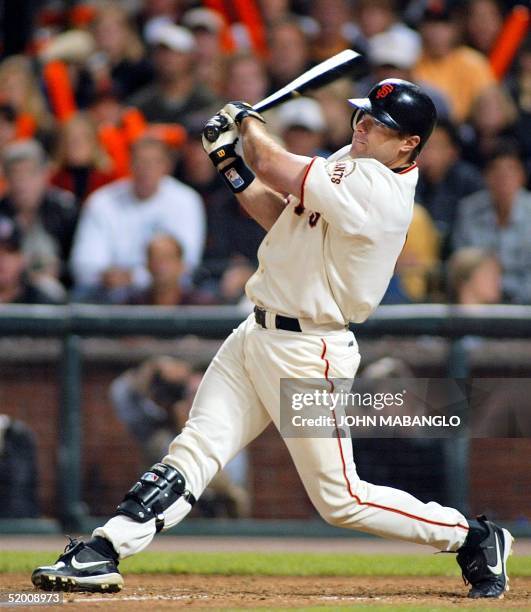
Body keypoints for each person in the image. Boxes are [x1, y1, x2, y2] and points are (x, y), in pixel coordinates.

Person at [32, 78, 512, 599]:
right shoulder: (351, 165)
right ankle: (106, 548)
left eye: (379, 125)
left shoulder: (378, 187)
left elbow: (273, 164)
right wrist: (229, 163)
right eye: (362, 117)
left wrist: (247, 122)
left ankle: (473, 536)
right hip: (255, 332)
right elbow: (282, 219)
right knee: (195, 448)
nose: (362, 126)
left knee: (341, 499)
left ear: (408, 145)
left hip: (311, 351)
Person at [70, 137, 205, 303]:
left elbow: (187, 263)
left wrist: (134, 277)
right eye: (140, 162)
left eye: (154, 162)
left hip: (168, 295)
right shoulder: (102, 202)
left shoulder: (186, 200)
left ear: (167, 166)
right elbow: (84, 265)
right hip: (109, 294)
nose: (146, 169)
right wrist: (106, 276)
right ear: (130, 164)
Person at [452, 143, 531, 304]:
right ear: (486, 176)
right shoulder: (469, 210)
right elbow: (462, 265)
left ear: (522, 176)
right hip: (479, 299)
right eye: (497, 171)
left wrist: (508, 295)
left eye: (510, 171)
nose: (504, 178)